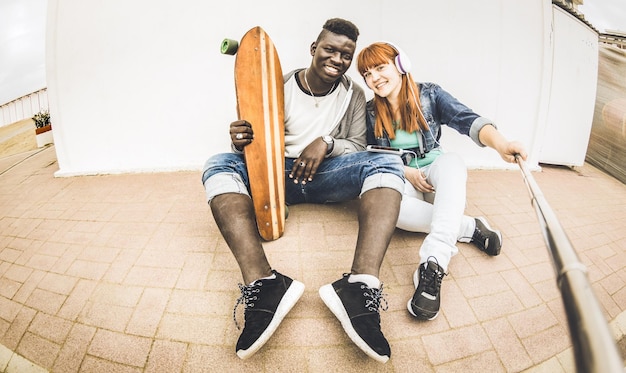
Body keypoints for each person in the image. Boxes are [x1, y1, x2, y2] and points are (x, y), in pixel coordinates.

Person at [202, 19, 404, 363]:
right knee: (218, 163)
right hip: (277, 173)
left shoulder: (353, 93)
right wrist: (239, 140)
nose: (337, 59)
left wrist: (325, 143)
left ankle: (360, 287)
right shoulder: (275, 83)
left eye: (346, 54)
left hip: (326, 175)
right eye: (330, 49)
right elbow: (254, 145)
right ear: (314, 49)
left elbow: (356, 146)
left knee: (387, 162)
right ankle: (265, 285)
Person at [356, 42, 528, 321]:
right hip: (405, 177)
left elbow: (469, 121)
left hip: (436, 172)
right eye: (366, 73)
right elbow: (373, 153)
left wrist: (502, 144)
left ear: (401, 65)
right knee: (389, 211)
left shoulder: (430, 94)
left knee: (453, 162)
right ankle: (470, 227)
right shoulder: (370, 111)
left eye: (379, 67)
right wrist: (404, 169)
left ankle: (433, 261)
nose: (373, 77)